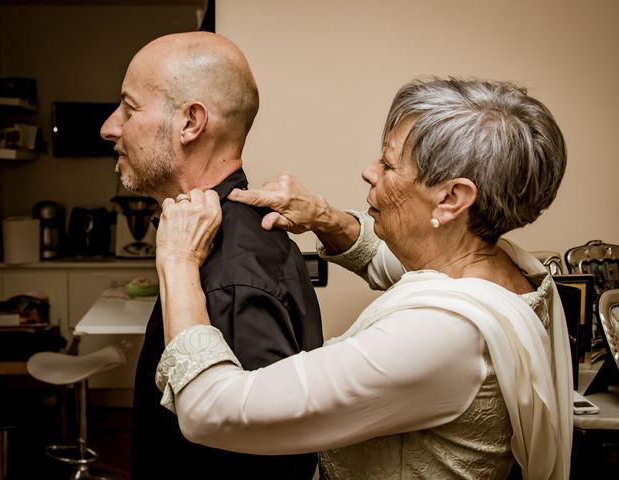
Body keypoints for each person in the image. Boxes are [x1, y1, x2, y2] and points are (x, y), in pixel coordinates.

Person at [153, 77, 573, 479]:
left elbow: (211, 409)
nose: (369, 171)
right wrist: (324, 217)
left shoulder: (443, 334)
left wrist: (177, 259)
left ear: (451, 199)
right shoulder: (512, 272)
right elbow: (392, 259)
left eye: (388, 164)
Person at [99, 31, 323, 480]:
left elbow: (257, 462)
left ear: (190, 123)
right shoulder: (204, 236)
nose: (109, 127)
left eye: (129, 106)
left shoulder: (234, 272)